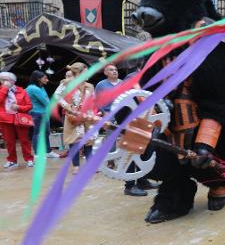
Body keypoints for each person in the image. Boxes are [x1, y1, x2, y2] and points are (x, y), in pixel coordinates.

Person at [95, 63, 157, 196]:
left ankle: (142, 180)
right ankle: (129, 186)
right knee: (132, 150)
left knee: (143, 149)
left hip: (139, 118)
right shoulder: (132, 77)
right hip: (129, 118)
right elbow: (142, 98)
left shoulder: (142, 77)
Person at [54, 62, 95, 175]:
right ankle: (76, 166)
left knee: (88, 141)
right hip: (72, 116)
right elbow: (57, 96)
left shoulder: (90, 86)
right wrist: (68, 107)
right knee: (74, 141)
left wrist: (91, 113)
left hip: (86, 117)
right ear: (78, 73)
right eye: (85, 72)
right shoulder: (66, 84)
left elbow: (93, 100)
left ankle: (91, 164)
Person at [0, 72, 34, 168]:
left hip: (20, 118)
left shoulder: (22, 91)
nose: (4, 82)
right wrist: (5, 89)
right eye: (2, 80)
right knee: (9, 142)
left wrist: (18, 107)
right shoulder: (1, 90)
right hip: (5, 119)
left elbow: (29, 106)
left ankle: (29, 159)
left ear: (13, 81)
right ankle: (12, 160)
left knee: (24, 140)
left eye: (6, 79)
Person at [25, 70, 60, 159]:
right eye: (45, 78)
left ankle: (48, 152)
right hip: (36, 113)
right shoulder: (32, 88)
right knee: (37, 133)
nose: (47, 80)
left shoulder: (41, 87)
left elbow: (47, 101)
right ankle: (37, 154)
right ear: (38, 79)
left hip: (44, 113)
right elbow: (46, 102)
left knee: (46, 133)